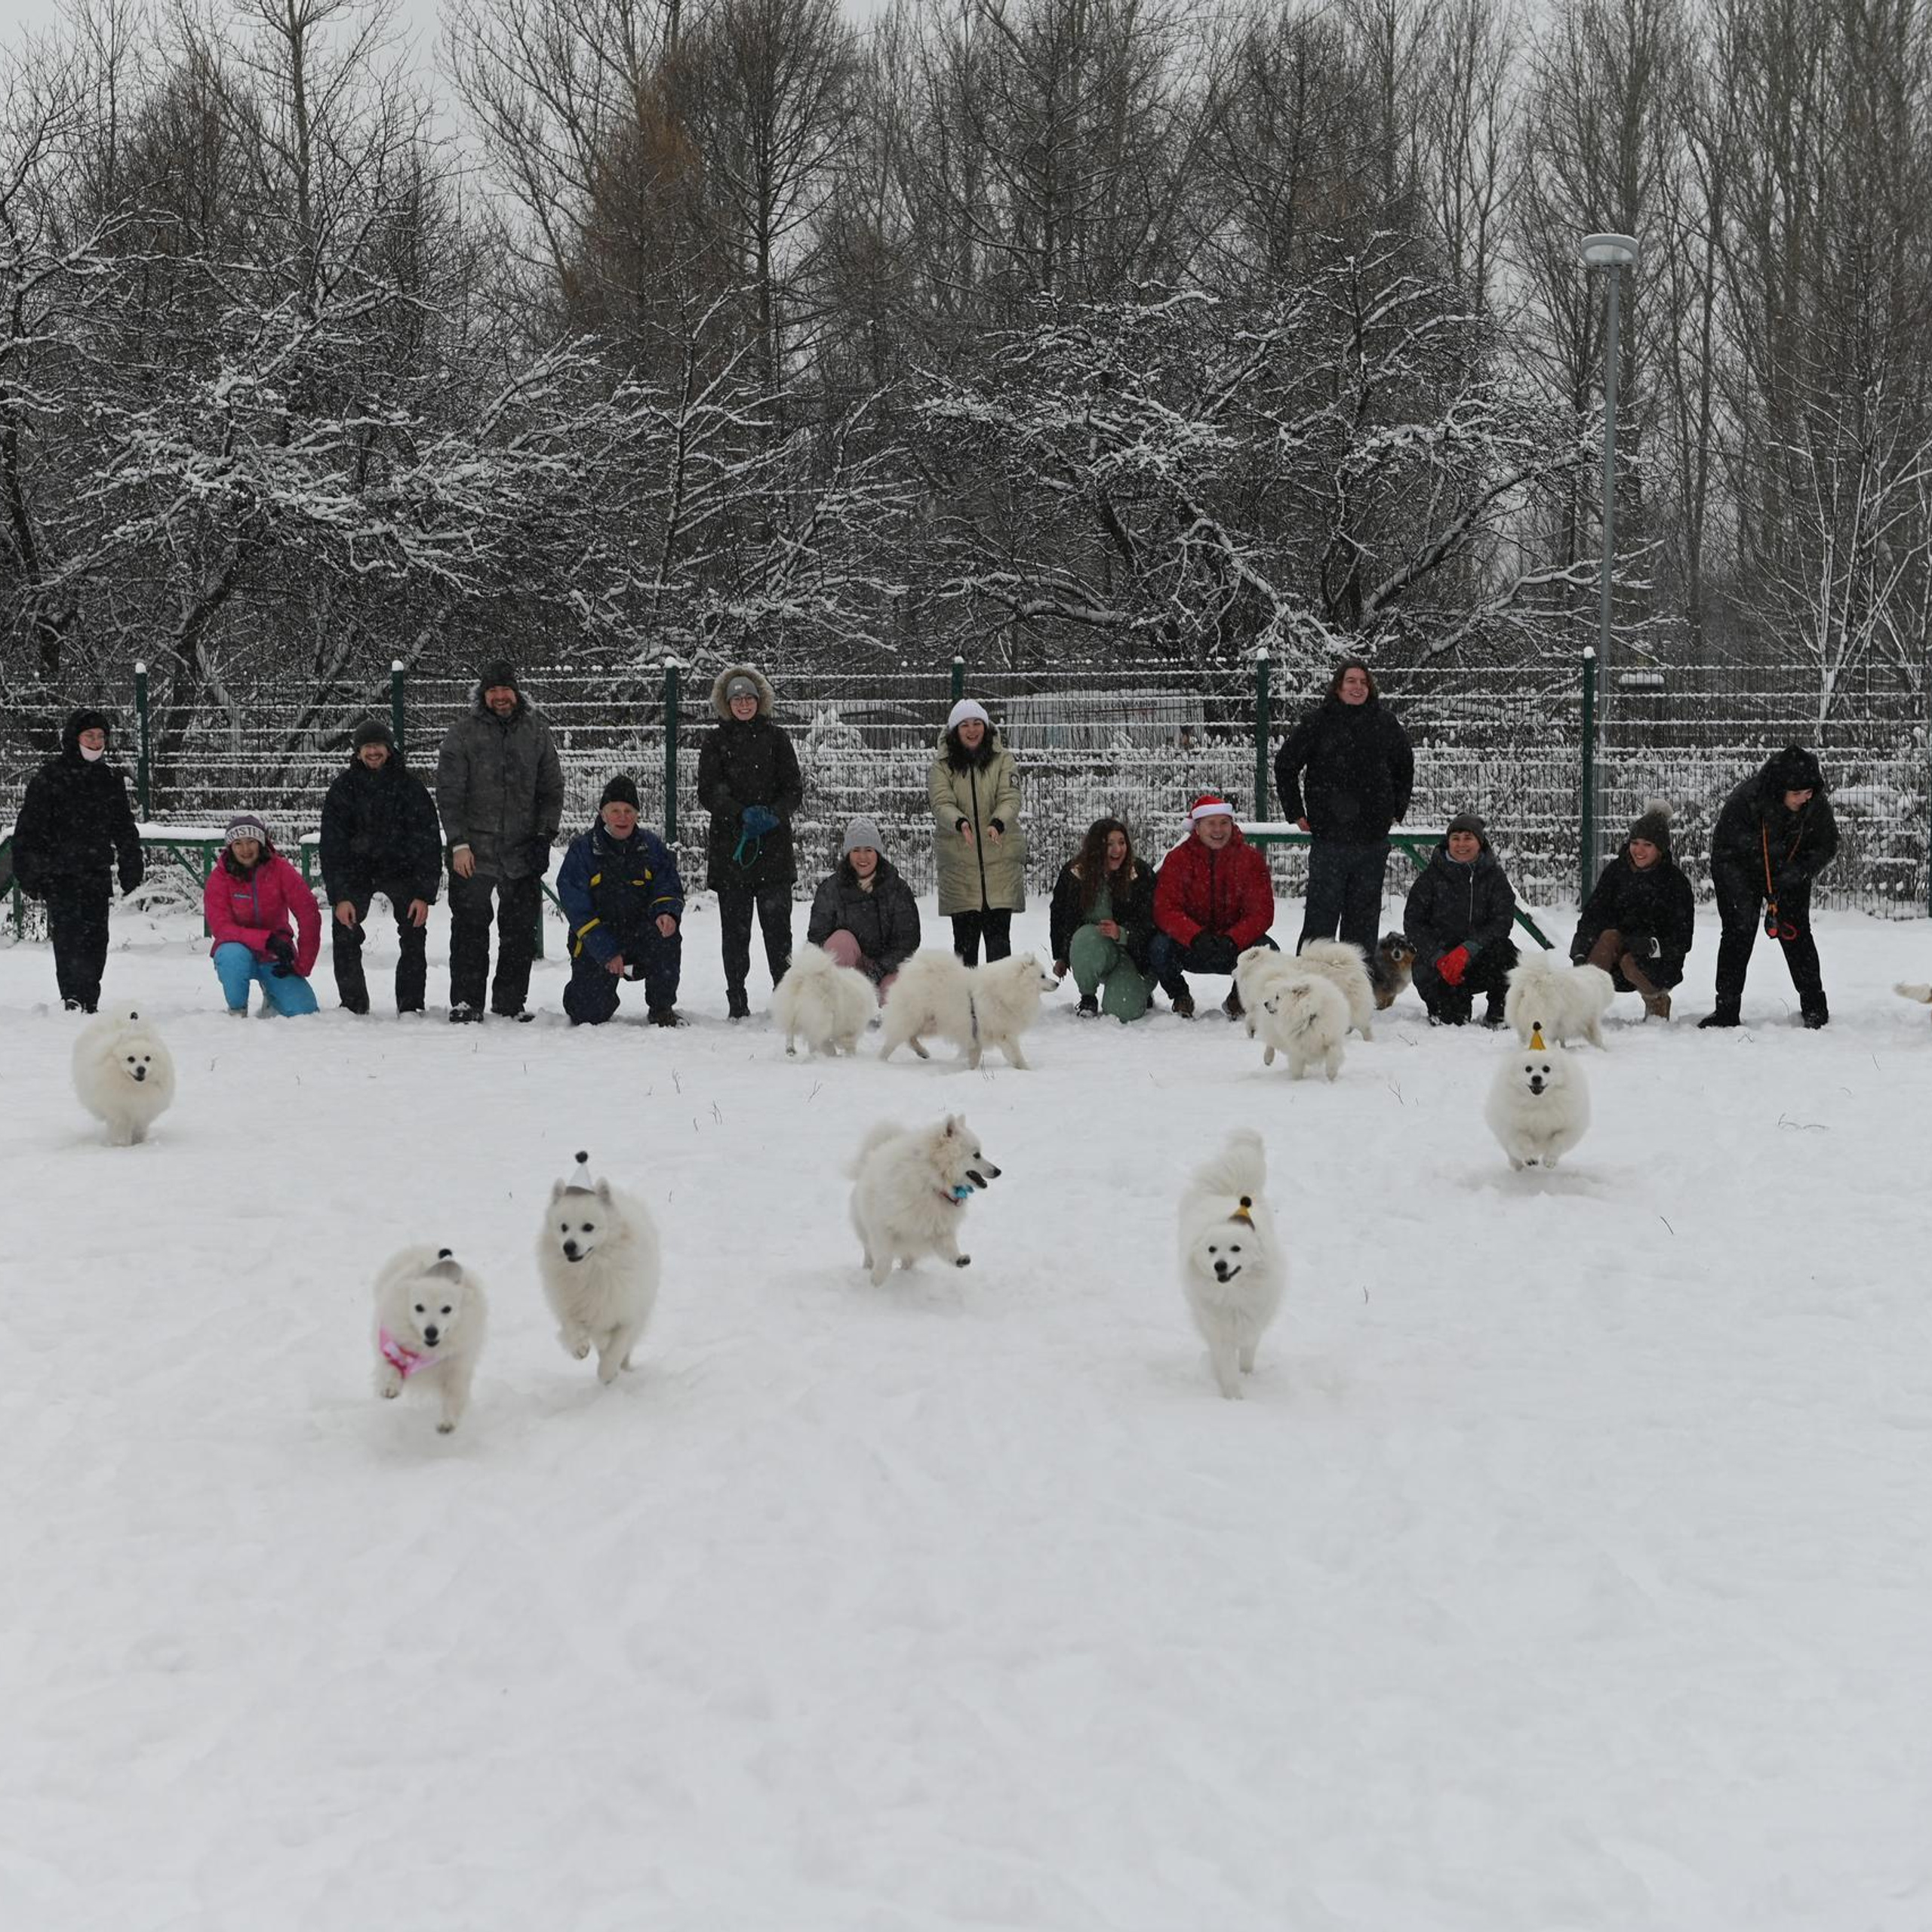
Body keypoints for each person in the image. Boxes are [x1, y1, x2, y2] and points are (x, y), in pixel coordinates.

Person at [435, 660, 563, 1023]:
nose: (500, 697)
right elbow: (449, 793)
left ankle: (509, 1003)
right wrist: (458, 843)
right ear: (483, 694)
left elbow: (551, 790)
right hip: (474, 851)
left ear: (516, 691)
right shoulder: (462, 734)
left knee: (519, 932)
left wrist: (544, 835)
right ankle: (466, 1002)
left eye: (505, 690)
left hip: (522, 849)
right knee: (470, 930)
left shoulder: (537, 732)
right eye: (493, 691)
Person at [1274, 659, 1414, 976]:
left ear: (1370, 687)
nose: (1357, 687)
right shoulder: (1318, 722)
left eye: (1363, 682)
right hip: (1329, 839)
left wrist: (1397, 809)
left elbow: (1405, 766)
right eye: (1351, 681)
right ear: (1338, 686)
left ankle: (1356, 985)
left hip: (1372, 841)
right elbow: (1285, 765)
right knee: (1321, 921)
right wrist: (1295, 811)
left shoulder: (1385, 723)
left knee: (1363, 922)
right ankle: (1309, 981)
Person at [10, 707, 143, 1012]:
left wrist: (130, 860)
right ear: (74, 738)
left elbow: (123, 825)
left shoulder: (110, 778)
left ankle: (90, 997)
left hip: (96, 872)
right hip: (59, 874)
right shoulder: (50, 778)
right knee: (69, 938)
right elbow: (29, 829)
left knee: (97, 938)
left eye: (101, 736)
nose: (96, 742)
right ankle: (72, 996)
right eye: (90, 736)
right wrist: (30, 871)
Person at [1700, 745, 1838, 1029]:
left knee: (1796, 931)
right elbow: (1725, 850)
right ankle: (1726, 1009)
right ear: (1780, 789)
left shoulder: (1815, 803)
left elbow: (1827, 844)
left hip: (1789, 870)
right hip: (1740, 869)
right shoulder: (1746, 801)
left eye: (1808, 792)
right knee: (1739, 930)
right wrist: (1743, 892)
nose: (1804, 799)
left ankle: (1814, 1006)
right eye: (1797, 794)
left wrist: (1799, 872)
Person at [697, 664, 804, 1020]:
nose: (744, 704)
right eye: (737, 698)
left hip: (774, 851)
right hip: (733, 852)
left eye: (749, 698)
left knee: (778, 931)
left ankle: (785, 997)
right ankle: (737, 998)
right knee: (735, 932)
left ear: (760, 700)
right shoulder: (715, 741)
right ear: (727, 703)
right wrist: (740, 814)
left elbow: (793, 789)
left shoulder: (778, 739)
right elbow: (708, 791)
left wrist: (773, 814)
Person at [318, 718, 443, 1015]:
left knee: (414, 930)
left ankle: (411, 1004)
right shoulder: (343, 789)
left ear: (389, 749)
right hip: (356, 873)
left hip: (402, 872)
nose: (373, 752)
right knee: (344, 929)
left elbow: (428, 842)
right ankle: (353, 1004)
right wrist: (340, 896)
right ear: (358, 752)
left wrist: (423, 894)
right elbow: (332, 846)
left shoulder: (410, 787)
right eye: (367, 747)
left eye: (378, 746)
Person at [555, 776, 686, 1026]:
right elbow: (577, 909)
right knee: (588, 1014)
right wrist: (606, 951)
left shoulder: (651, 847)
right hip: (597, 940)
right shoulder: (582, 851)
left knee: (668, 934)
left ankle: (662, 1007)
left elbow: (667, 884)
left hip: (640, 936)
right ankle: (584, 992)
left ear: (637, 815)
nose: (622, 817)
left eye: (628, 811)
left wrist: (667, 912)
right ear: (603, 815)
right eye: (615, 810)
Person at [1150, 795, 1277, 1019]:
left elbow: (1261, 912)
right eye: (1211, 823)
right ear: (1197, 828)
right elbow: (1166, 909)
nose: (1218, 830)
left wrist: (1233, 938)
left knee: (1268, 951)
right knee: (1159, 947)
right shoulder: (1178, 859)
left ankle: (1238, 999)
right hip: (1191, 945)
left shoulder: (1250, 859)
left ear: (1232, 825)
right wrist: (1195, 936)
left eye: (1224, 823)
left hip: (1234, 947)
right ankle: (1180, 995)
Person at [1570, 801, 1695, 1021]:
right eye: (1635, 842)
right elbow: (1592, 917)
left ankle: (1656, 1001)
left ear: (1660, 849)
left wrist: (1651, 945)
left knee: (1630, 962)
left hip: (1656, 962)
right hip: (1616, 955)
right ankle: (1582, 1005)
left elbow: (1683, 939)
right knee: (1608, 937)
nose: (1638, 850)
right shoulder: (1616, 872)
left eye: (1647, 844)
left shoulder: (1675, 882)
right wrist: (1580, 953)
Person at [928, 697, 1025, 965]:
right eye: (965, 725)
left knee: (999, 950)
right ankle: (966, 1004)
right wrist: (960, 823)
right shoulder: (941, 766)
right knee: (965, 951)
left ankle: (999, 1005)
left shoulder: (1003, 760)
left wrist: (998, 822)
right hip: (960, 867)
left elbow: (1010, 797)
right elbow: (941, 802)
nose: (972, 730)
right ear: (955, 731)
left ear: (986, 726)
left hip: (1000, 865)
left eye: (977, 723)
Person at [1403, 811, 1519, 1026]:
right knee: (1452, 1022)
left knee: (1508, 954)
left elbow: (1502, 921)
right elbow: (1414, 923)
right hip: (1440, 962)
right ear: (1448, 842)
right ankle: (1448, 1008)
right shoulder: (1431, 877)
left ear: (1480, 842)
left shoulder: (1495, 877)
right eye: (1455, 838)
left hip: (1479, 957)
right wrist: (1439, 956)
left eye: (1468, 838)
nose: (1461, 844)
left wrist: (1469, 948)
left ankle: (1500, 1014)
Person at [203, 814, 322, 1016]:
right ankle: (237, 1009)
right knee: (231, 956)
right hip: (238, 950)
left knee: (305, 1011)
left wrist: (303, 965)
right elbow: (221, 928)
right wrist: (266, 940)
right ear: (230, 847)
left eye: (251, 841)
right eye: (238, 843)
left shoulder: (281, 870)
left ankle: (273, 995)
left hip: (277, 953)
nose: (246, 849)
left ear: (261, 843)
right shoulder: (220, 878)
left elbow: (308, 913)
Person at [1050, 816, 1158, 1022]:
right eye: (1109, 844)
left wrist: (1123, 933)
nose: (1118, 850)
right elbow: (1060, 915)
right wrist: (1062, 955)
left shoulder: (1140, 873)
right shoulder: (1074, 873)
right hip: (1093, 948)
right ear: (1096, 847)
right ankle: (1088, 997)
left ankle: (1140, 989)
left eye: (1122, 843)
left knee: (1122, 1011)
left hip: (1134, 955)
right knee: (1085, 937)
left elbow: (1152, 920)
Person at [805, 815, 921, 1000]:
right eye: (856, 850)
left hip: (886, 968)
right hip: (847, 967)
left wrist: (879, 969)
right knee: (840, 941)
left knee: (896, 997)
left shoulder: (897, 889)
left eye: (869, 850)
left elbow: (907, 941)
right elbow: (817, 938)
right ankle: (839, 999)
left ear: (878, 853)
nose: (863, 857)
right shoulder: (831, 889)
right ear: (848, 854)